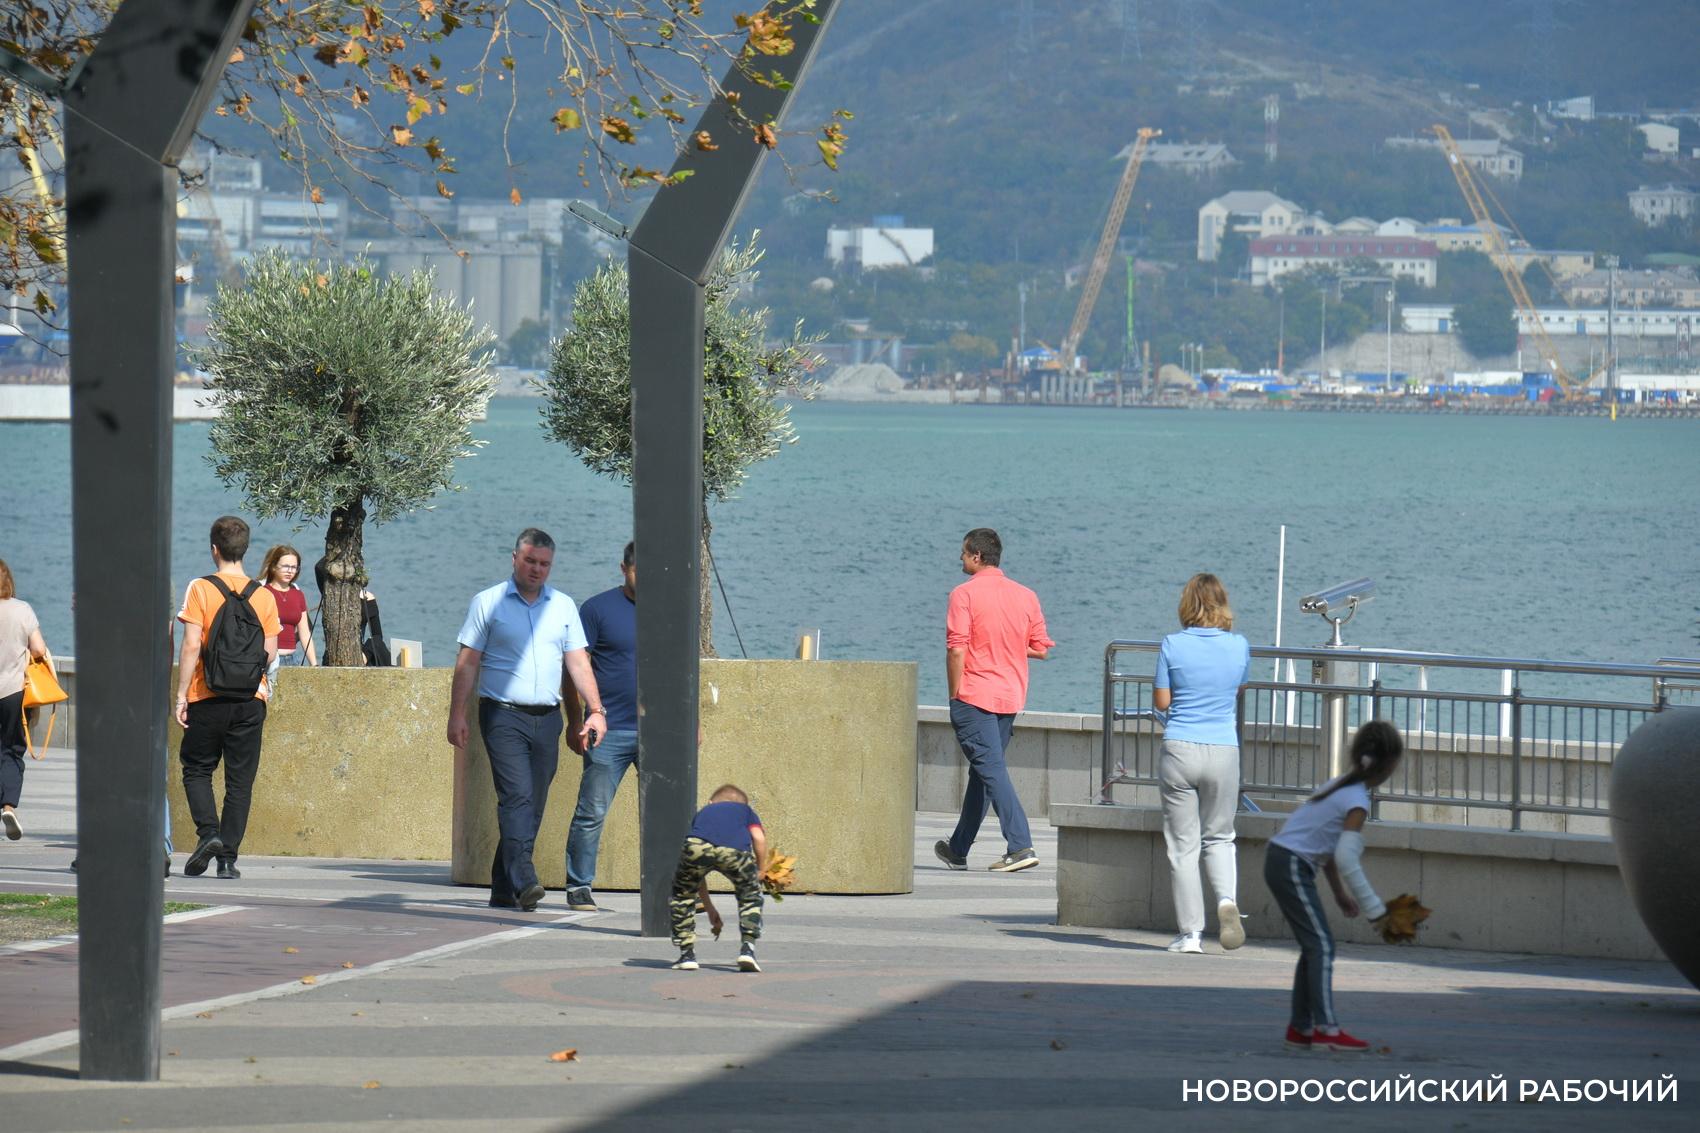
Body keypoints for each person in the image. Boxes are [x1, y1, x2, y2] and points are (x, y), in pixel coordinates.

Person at [448, 528, 605, 911]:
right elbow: (468, 663)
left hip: (547, 718)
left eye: (544, 564)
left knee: (532, 804)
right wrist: (456, 715)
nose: (537, 570)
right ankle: (525, 881)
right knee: (516, 797)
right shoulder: (488, 602)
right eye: (530, 561)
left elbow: (578, 663)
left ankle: (502, 885)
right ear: (515, 558)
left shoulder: (563, 606)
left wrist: (595, 711)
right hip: (502, 715)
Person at [1265, 721, 1405, 1052]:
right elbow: (1345, 856)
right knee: (1322, 946)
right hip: (1290, 864)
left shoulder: (1338, 785)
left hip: (1283, 860)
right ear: (1390, 763)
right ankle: (1327, 1030)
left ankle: (1300, 1029)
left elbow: (1324, 845)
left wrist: (1339, 893)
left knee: (1313, 946)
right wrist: (1375, 910)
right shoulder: (1356, 800)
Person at [933, 527, 1053, 874]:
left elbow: (957, 648)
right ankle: (958, 848)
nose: (960, 558)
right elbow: (1041, 649)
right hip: (1009, 695)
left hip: (974, 695)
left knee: (991, 769)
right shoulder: (1026, 595)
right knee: (984, 771)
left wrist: (954, 693)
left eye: (963, 553)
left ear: (977, 557)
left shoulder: (963, 594)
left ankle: (1020, 845)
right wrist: (1009, 646)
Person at [176, 516, 281, 880]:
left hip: (207, 694)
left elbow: (191, 645)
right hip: (251, 699)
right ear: (246, 549)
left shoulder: (200, 588)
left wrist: (181, 695)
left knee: (197, 768)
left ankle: (209, 834)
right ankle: (228, 861)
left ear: (214, 549)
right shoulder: (264, 595)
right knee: (240, 781)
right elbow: (270, 650)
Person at [1153, 572, 1252, 954]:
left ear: (1187, 604)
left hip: (1180, 747)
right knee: (1221, 837)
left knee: (1183, 847)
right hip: (1223, 749)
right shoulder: (1239, 646)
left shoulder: (1172, 644)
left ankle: (1191, 934)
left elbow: (1162, 702)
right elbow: (1238, 687)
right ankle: (1227, 901)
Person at [564, 541, 638, 912]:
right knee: (592, 810)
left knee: (667, 814)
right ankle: (579, 885)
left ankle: (671, 883)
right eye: (638, 569)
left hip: (662, 730)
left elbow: (683, 669)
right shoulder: (596, 610)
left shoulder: (672, 609)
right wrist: (574, 719)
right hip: (609, 729)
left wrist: (693, 722)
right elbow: (574, 666)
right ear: (623, 568)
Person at [670, 783, 768, 973]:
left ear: (711, 802)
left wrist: (708, 907)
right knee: (750, 896)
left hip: (696, 847)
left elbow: (698, 876)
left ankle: (687, 954)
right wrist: (761, 870)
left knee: (682, 895)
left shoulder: (705, 812)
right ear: (744, 804)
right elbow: (759, 838)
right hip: (735, 851)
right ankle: (748, 949)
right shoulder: (746, 811)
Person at [0, 558, 52, 841]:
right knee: (11, 749)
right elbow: (39, 648)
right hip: (11, 692)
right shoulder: (22, 610)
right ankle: (8, 806)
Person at [259, 545, 317, 696]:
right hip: (269, 661)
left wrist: (314, 664)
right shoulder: (263, 592)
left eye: (294, 567)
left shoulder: (297, 594)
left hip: (292, 659)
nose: (290, 571)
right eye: (285, 566)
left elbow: (305, 634)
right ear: (273, 567)